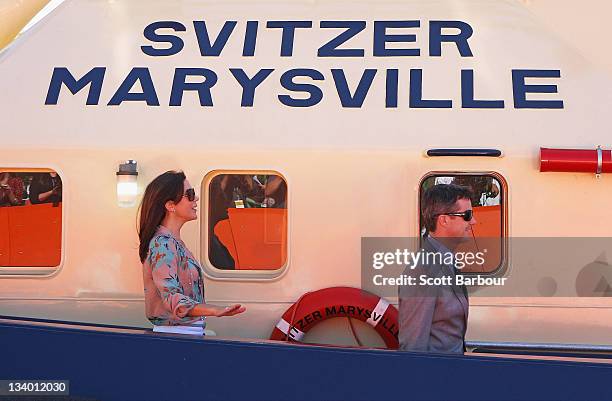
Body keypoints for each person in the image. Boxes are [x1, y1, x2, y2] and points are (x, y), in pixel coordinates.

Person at [138, 171, 246, 335]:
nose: (195, 199)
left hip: (184, 333)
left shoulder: (173, 242)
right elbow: (171, 298)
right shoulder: (163, 244)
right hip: (176, 336)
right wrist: (214, 310)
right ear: (170, 205)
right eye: (189, 194)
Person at [399, 184, 475, 353]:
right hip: (437, 375)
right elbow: (413, 347)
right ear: (444, 220)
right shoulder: (422, 270)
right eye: (467, 215)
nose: (473, 221)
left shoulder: (447, 260)